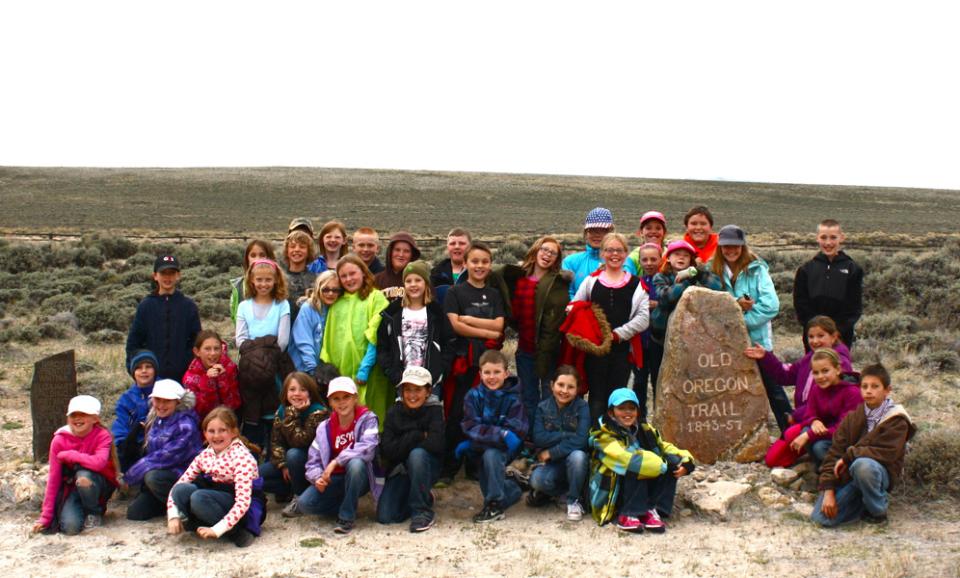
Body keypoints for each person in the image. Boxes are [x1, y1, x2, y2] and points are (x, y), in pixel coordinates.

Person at [812, 364, 916, 526]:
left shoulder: (897, 419)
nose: (868, 391)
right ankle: (861, 502)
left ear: (887, 390)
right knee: (820, 518)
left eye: (875, 386)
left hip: (879, 473)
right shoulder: (852, 418)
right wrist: (829, 489)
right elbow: (834, 453)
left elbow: (888, 452)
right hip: (850, 475)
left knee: (862, 465)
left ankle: (877, 511)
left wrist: (849, 456)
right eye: (864, 386)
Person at [710, 224, 790, 432]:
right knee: (729, 391)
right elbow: (711, 306)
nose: (731, 250)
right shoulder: (714, 272)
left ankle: (792, 433)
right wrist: (736, 305)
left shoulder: (757, 270)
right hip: (726, 344)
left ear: (743, 246)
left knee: (774, 390)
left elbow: (770, 305)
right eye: (726, 246)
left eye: (735, 246)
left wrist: (739, 323)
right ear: (720, 247)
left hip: (758, 342)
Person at [439, 242, 506, 485]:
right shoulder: (455, 293)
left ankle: (474, 466)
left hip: (487, 363)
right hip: (463, 363)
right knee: (457, 412)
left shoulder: (495, 294)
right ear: (465, 263)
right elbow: (455, 325)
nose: (479, 266)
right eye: (475, 261)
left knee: (484, 414)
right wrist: (486, 331)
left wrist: (470, 320)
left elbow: (500, 327)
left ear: (490, 265)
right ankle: (449, 466)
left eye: (484, 261)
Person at [588, 389, 695, 533]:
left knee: (673, 462)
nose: (627, 412)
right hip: (612, 494)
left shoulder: (644, 429)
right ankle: (628, 513)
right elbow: (626, 458)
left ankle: (651, 509)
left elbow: (663, 446)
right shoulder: (603, 436)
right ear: (611, 412)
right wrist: (663, 466)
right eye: (621, 408)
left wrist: (686, 460)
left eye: (631, 408)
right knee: (637, 464)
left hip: (640, 482)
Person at [572, 233, 650, 422]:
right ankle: (594, 440)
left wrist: (618, 335)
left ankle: (614, 440)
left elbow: (643, 317)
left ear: (625, 253)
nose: (614, 254)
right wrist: (590, 331)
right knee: (597, 397)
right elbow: (574, 307)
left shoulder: (636, 284)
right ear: (602, 253)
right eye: (609, 250)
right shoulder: (592, 281)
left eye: (619, 250)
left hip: (622, 352)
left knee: (617, 397)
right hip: (595, 352)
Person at [293, 377, 383, 535]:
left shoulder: (368, 419)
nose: (342, 403)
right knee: (305, 504)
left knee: (355, 464)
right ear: (330, 403)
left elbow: (368, 448)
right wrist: (318, 477)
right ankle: (347, 502)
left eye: (346, 397)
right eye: (336, 399)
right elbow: (312, 461)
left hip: (360, 477)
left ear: (355, 398)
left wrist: (336, 461)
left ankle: (347, 516)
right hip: (334, 479)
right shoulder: (324, 427)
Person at [495, 236, 571, 423]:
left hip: (548, 349)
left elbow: (558, 317)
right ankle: (530, 437)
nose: (547, 255)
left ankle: (546, 436)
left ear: (557, 259)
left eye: (553, 253)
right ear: (536, 250)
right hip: (524, 348)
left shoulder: (557, 283)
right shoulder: (518, 278)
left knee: (548, 395)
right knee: (528, 395)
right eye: (545, 249)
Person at [167, 407, 266, 548]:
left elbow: (243, 502)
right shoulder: (205, 455)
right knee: (180, 490)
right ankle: (203, 523)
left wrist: (218, 529)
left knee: (198, 497)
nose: (216, 436)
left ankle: (237, 533)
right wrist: (173, 515)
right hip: (216, 498)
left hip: (246, 509)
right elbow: (180, 483)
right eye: (211, 431)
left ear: (233, 432)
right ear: (205, 434)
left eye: (222, 430)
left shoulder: (241, 457)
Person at [456, 350, 528, 523]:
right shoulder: (473, 396)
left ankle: (494, 506)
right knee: (487, 479)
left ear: (506, 373)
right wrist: (499, 433)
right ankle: (513, 488)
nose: (492, 377)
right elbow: (470, 425)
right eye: (487, 372)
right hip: (479, 447)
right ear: (480, 374)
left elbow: (514, 433)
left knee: (492, 454)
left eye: (497, 372)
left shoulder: (514, 399)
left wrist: (485, 437)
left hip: (504, 450)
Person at [745, 315, 853, 429]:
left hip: (825, 423)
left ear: (834, 337)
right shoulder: (808, 359)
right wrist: (765, 357)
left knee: (813, 446)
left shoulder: (840, 363)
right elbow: (786, 375)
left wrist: (796, 415)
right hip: (808, 418)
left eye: (821, 336)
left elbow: (826, 401)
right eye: (811, 336)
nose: (815, 341)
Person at [320, 255, 392, 424]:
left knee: (372, 413)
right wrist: (328, 367)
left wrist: (365, 367)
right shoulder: (337, 304)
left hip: (370, 372)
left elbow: (377, 334)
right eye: (343, 276)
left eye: (353, 273)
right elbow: (328, 339)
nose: (349, 279)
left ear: (363, 273)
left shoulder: (376, 298)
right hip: (343, 372)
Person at [33, 395, 119, 535]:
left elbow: (99, 463)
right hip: (72, 488)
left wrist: (71, 455)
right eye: (73, 415)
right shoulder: (59, 440)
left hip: (99, 484)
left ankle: (94, 512)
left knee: (84, 475)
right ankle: (81, 509)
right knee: (70, 528)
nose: (77, 419)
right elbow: (53, 480)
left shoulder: (103, 435)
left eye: (83, 414)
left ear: (95, 418)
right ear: (68, 418)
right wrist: (45, 517)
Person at [764, 349, 861, 469]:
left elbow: (843, 429)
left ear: (838, 369)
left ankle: (838, 472)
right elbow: (809, 413)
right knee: (798, 433)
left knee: (818, 446)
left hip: (849, 438)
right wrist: (814, 420)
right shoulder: (817, 389)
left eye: (825, 371)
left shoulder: (852, 392)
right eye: (815, 372)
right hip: (828, 431)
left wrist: (808, 435)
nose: (820, 377)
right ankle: (819, 465)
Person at [377, 366, 445, 532]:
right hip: (400, 469)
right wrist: (417, 435)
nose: (412, 395)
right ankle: (423, 496)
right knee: (386, 516)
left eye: (417, 390)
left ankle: (422, 511)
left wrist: (402, 443)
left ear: (428, 391)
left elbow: (437, 444)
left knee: (417, 455)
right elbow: (387, 449)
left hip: (427, 467)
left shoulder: (435, 410)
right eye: (407, 390)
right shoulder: (394, 412)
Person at [124, 380, 203, 521]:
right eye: (157, 400)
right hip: (162, 474)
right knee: (134, 513)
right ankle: (166, 503)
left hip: (184, 476)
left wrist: (130, 476)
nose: (160, 405)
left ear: (178, 402)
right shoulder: (155, 418)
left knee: (153, 477)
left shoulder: (185, 425)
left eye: (167, 401)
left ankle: (184, 507)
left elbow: (163, 457)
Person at [235, 258, 291, 447]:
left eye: (268, 280)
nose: (263, 284)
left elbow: (282, 342)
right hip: (250, 371)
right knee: (252, 416)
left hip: (275, 369)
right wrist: (258, 357)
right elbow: (240, 339)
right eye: (259, 280)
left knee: (274, 415)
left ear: (276, 280)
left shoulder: (282, 305)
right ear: (251, 281)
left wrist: (262, 355)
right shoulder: (244, 306)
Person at [377, 260, 455, 393]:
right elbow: (383, 346)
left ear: (426, 283)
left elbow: (449, 343)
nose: (413, 285)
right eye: (408, 281)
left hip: (431, 383)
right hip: (403, 382)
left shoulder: (436, 313)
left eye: (418, 280)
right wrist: (392, 373)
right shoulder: (392, 313)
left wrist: (440, 372)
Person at [527, 366, 590, 521]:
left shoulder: (583, 408)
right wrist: (567, 434)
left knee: (578, 456)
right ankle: (562, 493)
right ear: (552, 385)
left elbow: (581, 440)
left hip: (574, 462)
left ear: (577, 389)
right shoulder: (543, 407)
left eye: (570, 387)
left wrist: (551, 452)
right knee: (536, 480)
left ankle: (574, 500)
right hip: (553, 464)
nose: (564, 391)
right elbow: (539, 438)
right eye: (560, 385)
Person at [261, 372, 329, 513]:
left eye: (302, 390)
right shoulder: (281, 411)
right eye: (292, 390)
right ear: (285, 392)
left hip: (309, 464)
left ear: (310, 393)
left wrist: (293, 415)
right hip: (289, 464)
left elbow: (301, 441)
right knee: (255, 475)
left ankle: (299, 497)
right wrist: (283, 464)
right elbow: (276, 441)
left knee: (294, 454)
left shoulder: (318, 412)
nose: (297, 394)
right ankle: (289, 490)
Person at [126, 254, 201, 380]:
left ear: (178, 275)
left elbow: (196, 341)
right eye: (163, 273)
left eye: (171, 273)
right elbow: (133, 343)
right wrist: (136, 369)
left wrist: (189, 366)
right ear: (155, 276)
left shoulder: (188, 306)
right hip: (152, 379)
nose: (168, 277)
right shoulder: (146, 306)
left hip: (183, 378)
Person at [793, 219, 864, 349]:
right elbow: (800, 304)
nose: (828, 243)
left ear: (841, 238)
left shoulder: (853, 269)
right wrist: (815, 331)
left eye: (833, 237)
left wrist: (836, 332)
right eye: (823, 237)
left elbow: (854, 307)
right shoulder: (806, 269)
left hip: (841, 337)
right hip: (813, 338)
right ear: (817, 238)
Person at [650, 239, 723, 343]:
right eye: (677, 254)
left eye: (686, 255)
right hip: (661, 335)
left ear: (691, 260)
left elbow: (717, 286)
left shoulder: (696, 274)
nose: (681, 257)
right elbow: (665, 298)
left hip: (691, 334)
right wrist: (687, 282)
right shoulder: (660, 277)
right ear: (668, 258)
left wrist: (698, 273)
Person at [562, 207, 636, 300]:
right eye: (592, 230)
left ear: (611, 232)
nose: (597, 234)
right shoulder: (571, 262)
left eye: (603, 230)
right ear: (586, 233)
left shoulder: (624, 262)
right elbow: (566, 292)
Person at [113, 349, 159, 473]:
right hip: (135, 445)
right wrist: (124, 441)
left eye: (148, 366)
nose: (144, 371)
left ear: (155, 370)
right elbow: (121, 424)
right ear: (133, 373)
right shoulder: (126, 398)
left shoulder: (165, 391)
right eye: (138, 368)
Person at [631, 243, 664, 417]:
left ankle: (661, 418)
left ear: (661, 259)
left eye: (653, 259)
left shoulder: (665, 281)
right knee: (639, 381)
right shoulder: (636, 282)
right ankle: (640, 418)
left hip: (659, 341)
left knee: (659, 381)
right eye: (645, 259)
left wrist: (656, 305)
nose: (649, 263)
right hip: (640, 342)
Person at [181, 330, 240, 421]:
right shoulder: (190, 378)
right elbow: (199, 411)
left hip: (229, 421)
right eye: (207, 349)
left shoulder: (230, 367)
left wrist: (222, 379)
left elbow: (234, 405)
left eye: (216, 348)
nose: (213, 353)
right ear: (197, 352)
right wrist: (207, 382)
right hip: (204, 425)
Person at [290, 271, 340, 375]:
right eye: (326, 289)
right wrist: (313, 370)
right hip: (304, 369)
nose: (330, 293)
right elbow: (304, 342)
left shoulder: (335, 309)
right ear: (318, 288)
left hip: (325, 370)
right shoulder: (308, 308)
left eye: (335, 290)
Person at [229, 239, 276, 324]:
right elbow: (234, 315)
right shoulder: (238, 286)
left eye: (262, 255)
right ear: (247, 259)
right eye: (253, 255)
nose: (257, 259)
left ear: (269, 258)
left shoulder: (276, 284)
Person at [281, 230, 318, 322]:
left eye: (302, 247)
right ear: (287, 251)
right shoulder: (280, 278)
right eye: (292, 246)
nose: (297, 250)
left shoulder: (316, 280)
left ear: (308, 251)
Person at [374, 231, 421, 300]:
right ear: (390, 252)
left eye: (406, 251)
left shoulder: (421, 280)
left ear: (412, 255)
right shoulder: (377, 280)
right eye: (397, 250)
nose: (401, 254)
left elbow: (430, 307)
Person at [430, 227, 471, 304]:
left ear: (470, 246)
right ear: (447, 247)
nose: (457, 247)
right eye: (452, 243)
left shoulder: (479, 273)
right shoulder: (436, 273)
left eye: (462, 243)